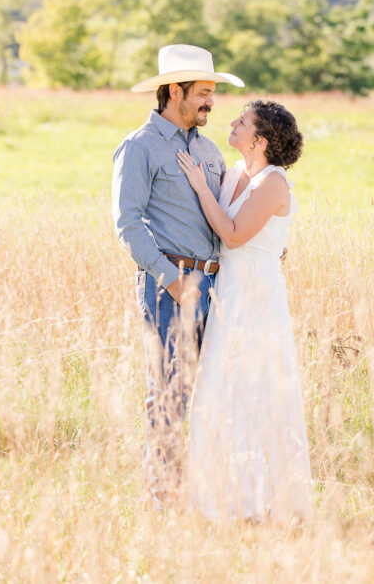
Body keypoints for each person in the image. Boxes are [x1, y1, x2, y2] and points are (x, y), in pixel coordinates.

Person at [112, 44, 244, 508]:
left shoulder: (209, 151)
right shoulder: (139, 147)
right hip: (171, 286)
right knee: (169, 391)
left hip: (219, 284)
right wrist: (169, 278)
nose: (211, 102)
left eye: (212, 93)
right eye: (203, 93)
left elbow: (226, 216)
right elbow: (127, 223)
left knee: (217, 390)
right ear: (174, 91)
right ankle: (163, 499)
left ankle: (209, 492)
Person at [176, 99, 313, 523]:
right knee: (219, 386)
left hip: (257, 298)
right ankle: (217, 494)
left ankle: (261, 501)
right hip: (228, 294)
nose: (232, 124)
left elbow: (234, 235)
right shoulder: (233, 174)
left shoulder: (275, 183)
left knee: (256, 391)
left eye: (242, 122)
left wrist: (200, 188)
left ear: (260, 141)